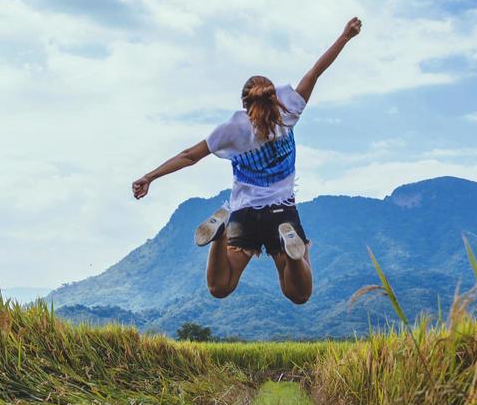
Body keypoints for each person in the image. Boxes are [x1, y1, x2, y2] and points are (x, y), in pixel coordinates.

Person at [131, 17, 362, 305]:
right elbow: (315, 72)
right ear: (274, 96)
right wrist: (345, 36)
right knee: (299, 293)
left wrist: (149, 177)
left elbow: (189, 156)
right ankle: (295, 254)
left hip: (241, 213)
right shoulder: (288, 112)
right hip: (282, 213)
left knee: (220, 287)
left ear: (244, 103)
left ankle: (218, 236)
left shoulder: (232, 129)